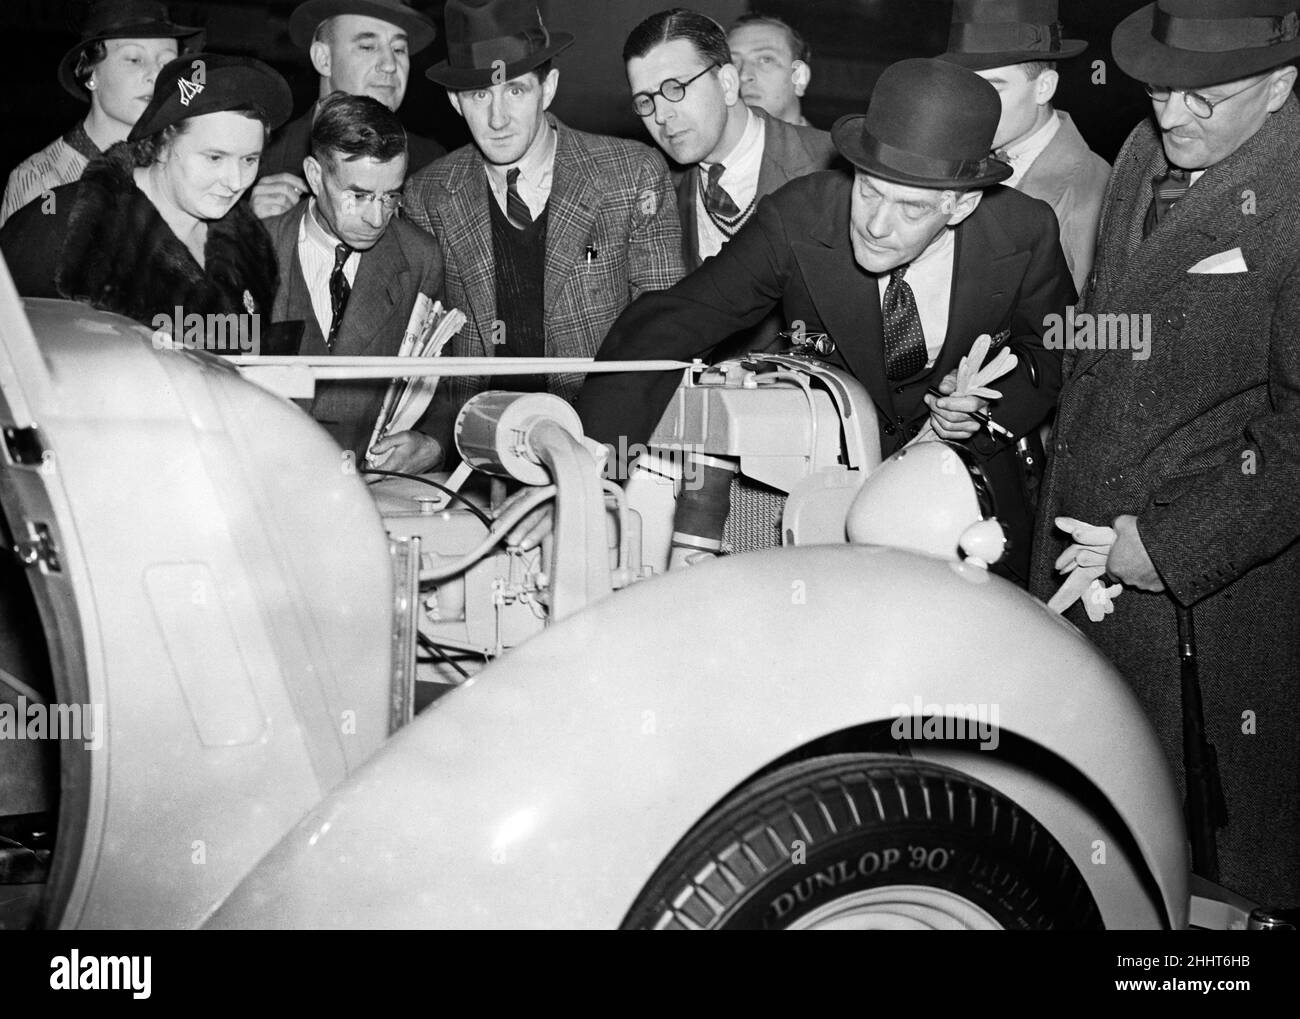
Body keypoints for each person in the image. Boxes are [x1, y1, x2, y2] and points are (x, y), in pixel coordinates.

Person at [578, 58, 1075, 583]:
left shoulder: (1024, 232)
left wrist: (987, 410)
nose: (878, 225)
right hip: (823, 502)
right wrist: (589, 474)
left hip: (966, 508)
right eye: (869, 191)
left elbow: (1054, 349)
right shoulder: (798, 217)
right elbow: (671, 323)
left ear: (962, 204)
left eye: (912, 209)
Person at [1030, 0, 1300, 905]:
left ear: (1281, 85)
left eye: (1206, 100)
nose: (1172, 117)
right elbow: (1114, 320)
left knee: (1209, 875)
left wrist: (1169, 550)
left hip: (1209, 605)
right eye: (1158, 94)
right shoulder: (1154, 148)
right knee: (1089, 840)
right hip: (1083, 546)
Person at [403, 0, 684, 463]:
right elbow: (422, 353)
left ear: (547, 88)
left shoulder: (630, 174)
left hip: (605, 449)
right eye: (478, 95)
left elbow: (663, 337)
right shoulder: (428, 194)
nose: (497, 119)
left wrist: (595, 458)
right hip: (477, 455)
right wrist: (435, 441)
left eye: (514, 91)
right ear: (454, 101)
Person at [0, 54, 292, 334]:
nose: (235, 181)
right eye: (214, 158)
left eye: (249, 160)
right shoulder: (67, 227)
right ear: (163, 145)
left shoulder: (251, 249)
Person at [264, 92, 445, 473]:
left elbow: (442, 383)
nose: (377, 218)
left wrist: (431, 444)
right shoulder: (251, 250)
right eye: (358, 196)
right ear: (315, 176)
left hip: (369, 493)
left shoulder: (419, 258)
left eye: (390, 195)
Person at [625, 8, 835, 271]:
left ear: (726, 83)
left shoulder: (833, 168)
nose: (661, 115)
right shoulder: (652, 188)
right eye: (645, 101)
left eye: (676, 88)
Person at [940, 0, 1110, 293]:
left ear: (1044, 87)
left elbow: (1075, 326)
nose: (972, 106)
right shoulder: (948, 157)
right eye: (967, 85)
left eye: (993, 87)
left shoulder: (1096, 192)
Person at [0, 0, 200, 226]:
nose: (155, 75)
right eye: (134, 59)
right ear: (91, 72)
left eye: (167, 63)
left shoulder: (183, 165)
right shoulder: (42, 179)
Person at [250, 0, 444, 220]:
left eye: (399, 49)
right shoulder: (257, 161)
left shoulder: (433, 167)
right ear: (323, 59)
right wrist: (254, 234)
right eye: (368, 47)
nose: (390, 64)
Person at [727, 12, 814, 127]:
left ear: (799, 77)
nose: (743, 75)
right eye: (733, 63)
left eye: (766, 60)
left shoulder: (831, 145)